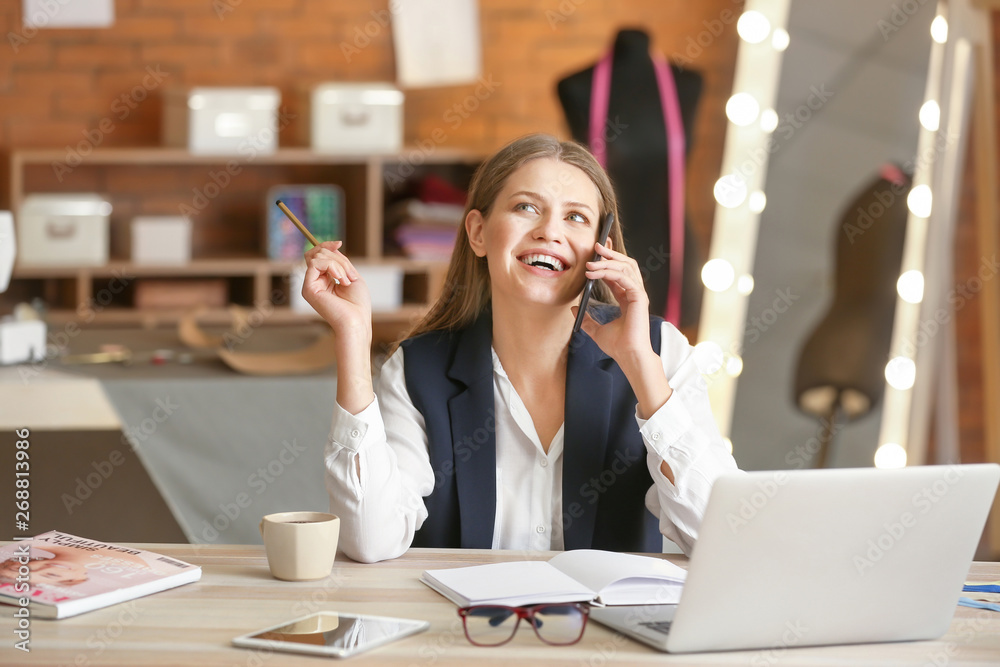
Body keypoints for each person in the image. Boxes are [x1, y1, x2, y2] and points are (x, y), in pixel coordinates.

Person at [303, 133, 739, 564]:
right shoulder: (417, 369)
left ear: (601, 247)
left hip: (602, 632)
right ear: (478, 232)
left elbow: (723, 538)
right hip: (460, 631)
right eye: (526, 207)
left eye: (577, 218)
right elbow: (369, 540)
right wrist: (353, 336)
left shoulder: (661, 353)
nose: (550, 231)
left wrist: (643, 369)